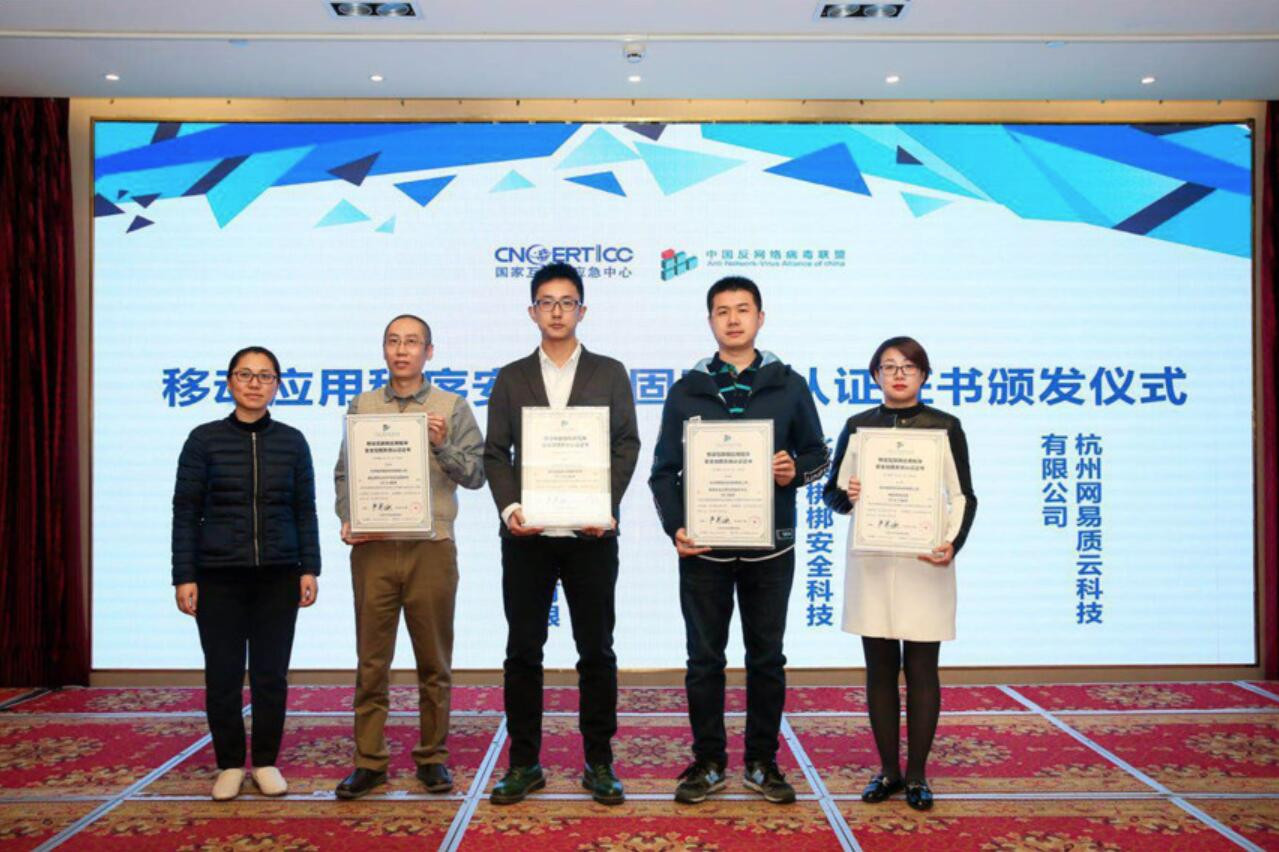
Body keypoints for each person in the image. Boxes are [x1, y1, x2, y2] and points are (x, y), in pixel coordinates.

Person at [649, 276, 829, 806]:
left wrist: (793, 470)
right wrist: (676, 527)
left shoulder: (789, 385)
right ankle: (708, 762)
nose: (733, 319)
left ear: (760, 318)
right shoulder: (687, 390)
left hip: (770, 548)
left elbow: (819, 455)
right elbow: (663, 472)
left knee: (766, 659)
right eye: (722, 311)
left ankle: (761, 761)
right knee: (704, 661)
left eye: (743, 309)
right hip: (703, 549)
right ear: (710, 321)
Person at [483, 262, 641, 805]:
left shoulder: (610, 372)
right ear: (532, 311)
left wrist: (604, 505)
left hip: (590, 535)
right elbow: (494, 452)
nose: (556, 311)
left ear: (582, 310)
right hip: (527, 536)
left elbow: (626, 444)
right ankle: (523, 763)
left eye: (566, 301)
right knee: (523, 651)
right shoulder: (511, 376)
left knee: (596, 651)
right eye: (546, 302)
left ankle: (599, 762)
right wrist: (511, 508)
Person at [332, 314, 485, 800]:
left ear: (429, 352)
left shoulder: (452, 406)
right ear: (384, 349)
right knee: (371, 662)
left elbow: (476, 474)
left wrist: (441, 445)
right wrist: (348, 515)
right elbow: (344, 473)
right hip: (374, 547)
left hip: (431, 548)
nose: (402, 350)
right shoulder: (363, 405)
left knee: (434, 662)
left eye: (412, 342)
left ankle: (432, 757)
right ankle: (369, 761)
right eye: (393, 341)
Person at [822, 336, 976, 811]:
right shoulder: (858, 426)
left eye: (909, 366)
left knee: (923, 669)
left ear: (924, 375)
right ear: (875, 376)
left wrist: (952, 543)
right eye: (888, 366)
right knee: (880, 669)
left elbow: (963, 495)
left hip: (925, 561)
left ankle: (918, 775)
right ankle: (888, 770)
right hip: (872, 562)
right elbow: (832, 495)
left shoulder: (944, 426)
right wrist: (848, 495)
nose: (899, 374)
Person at [171, 345, 320, 802]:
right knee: (223, 674)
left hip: (279, 575)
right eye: (245, 374)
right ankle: (231, 764)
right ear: (230, 382)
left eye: (265, 376)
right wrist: (184, 574)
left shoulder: (292, 441)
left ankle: (268, 761)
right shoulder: (203, 440)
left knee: (271, 675)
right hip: (218, 576)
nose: (255, 383)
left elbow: (305, 509)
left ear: (277, 385)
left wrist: (310, 567)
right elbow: (185, 511)